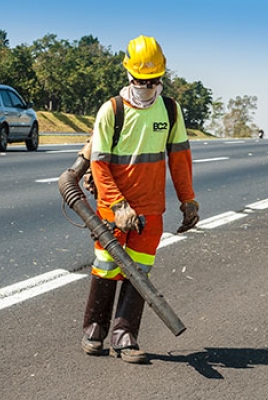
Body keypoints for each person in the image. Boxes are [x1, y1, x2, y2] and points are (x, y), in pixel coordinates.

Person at [81, 35, 199, 364]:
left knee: (140, 272)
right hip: (112, 208)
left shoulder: (171, 111)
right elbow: (99, 164)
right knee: (106, 267)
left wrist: (188, 199)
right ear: (129, 75)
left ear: (161, 77)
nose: (147, 86)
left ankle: (125, 335)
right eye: (141, 80)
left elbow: (179, 158)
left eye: (153, 80)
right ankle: (94, 330)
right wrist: (118, 206)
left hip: (150, 209)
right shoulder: (112, 111)